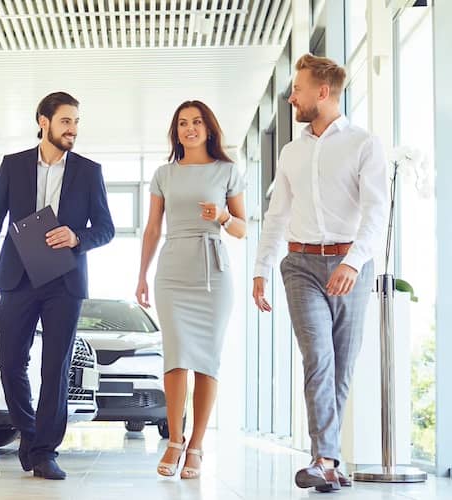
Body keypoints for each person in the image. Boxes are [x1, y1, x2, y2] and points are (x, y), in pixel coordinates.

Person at [252, 54, 389, 492]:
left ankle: (330, 462)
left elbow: (376, 211)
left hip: (351, 265)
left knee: (341, 367)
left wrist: (353, 261)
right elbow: (276, 216)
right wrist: (261, 268)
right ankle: (323, 456)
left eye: (298, 89)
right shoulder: (292, 151)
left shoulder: (364, 145)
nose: (292, 96)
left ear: (322, 92)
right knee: (318, 358)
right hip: (301, 265)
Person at [0, 91, 115, 480]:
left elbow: (106, 228)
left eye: (77, 122)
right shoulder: (14, 166)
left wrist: (76, 236)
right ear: (43, 121)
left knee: (56, 367)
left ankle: (46, 451)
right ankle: (30, 435)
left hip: (65, 281)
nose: (74, 130)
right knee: (10, 362)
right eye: (67, 121)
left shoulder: (88, 171)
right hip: (17, 278)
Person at [135, 100, 246, 479]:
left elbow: (242, 229)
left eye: (197, 122)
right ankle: (175, 440)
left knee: (207, 361)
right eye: (183, 123)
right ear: (176, 131)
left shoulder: (227, 170)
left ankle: (197, 446)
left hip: (213, 273)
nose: (190, 129)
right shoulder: (164, 174)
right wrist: (141, 275)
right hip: (172, 271)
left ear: (209, 129)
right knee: (177, 356)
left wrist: (224, 216)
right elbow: (152, 229)